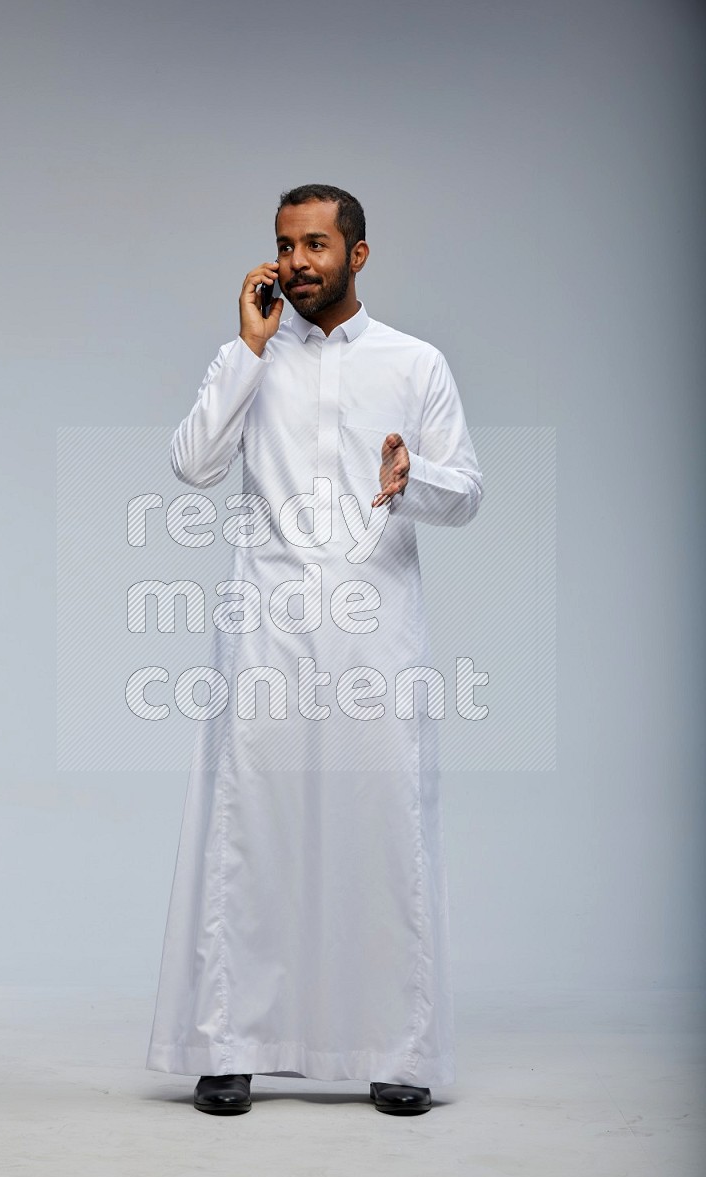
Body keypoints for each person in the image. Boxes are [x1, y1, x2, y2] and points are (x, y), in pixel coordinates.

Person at [146, 184, 483, 1116]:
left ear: (358, 256)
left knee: (385, 835)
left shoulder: (415, 365)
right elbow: (194, 463)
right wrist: (248, 355)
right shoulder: (248, 357)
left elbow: (467, 492)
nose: (296, 262)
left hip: (377, 631)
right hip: (268, 628)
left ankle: (397, 1053)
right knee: (251, 832)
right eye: (286, 245)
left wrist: (413, 479)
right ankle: (229, 1045)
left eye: (317, 246)